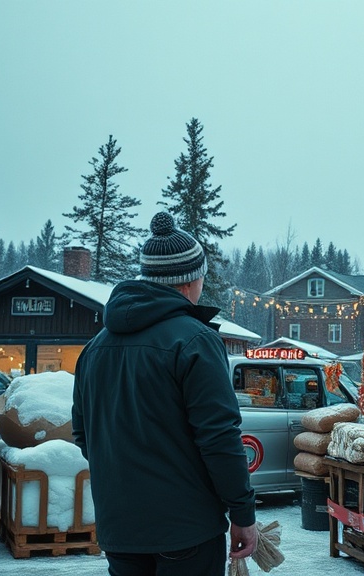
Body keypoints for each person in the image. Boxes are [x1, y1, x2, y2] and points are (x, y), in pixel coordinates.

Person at [72, 211, 257, 576]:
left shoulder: (94, 348)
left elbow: (83, 434)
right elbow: (219, 437)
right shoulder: (195, 340)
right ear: (189, 281)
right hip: (186, 530)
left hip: (119, 528)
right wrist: (242, 513)